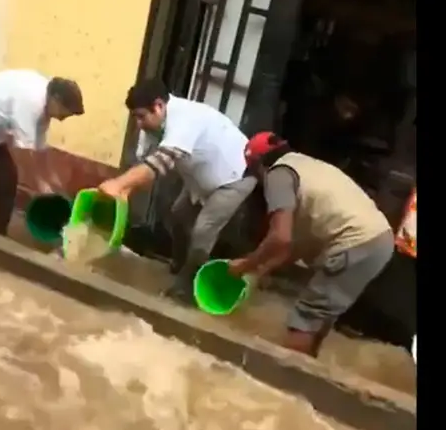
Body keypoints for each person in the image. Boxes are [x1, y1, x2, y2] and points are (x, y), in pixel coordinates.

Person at [229, 132, 395, 357]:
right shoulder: (305, 166)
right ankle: (309, 367)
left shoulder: (278, 174)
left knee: (305, 316)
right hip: (379, 240)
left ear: (258, 164)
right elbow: (290, 247)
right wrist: (260, 270)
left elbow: (280, 238)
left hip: (355, 241)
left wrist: (245, 265)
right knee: (320, 316)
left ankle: (285, 373)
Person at [98, 79, 256, 302]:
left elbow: (160, 163)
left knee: (203, 230)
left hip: (234, 177)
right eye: (135, 117)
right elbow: (144, 167)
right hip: (200, 180)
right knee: (178, 215)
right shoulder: (151, 126)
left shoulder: (185, 118)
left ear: (159, 106)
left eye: (141, 116)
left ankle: (186, 287)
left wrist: (118, 184)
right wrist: (126, 190)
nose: (139, 124)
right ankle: (181, 264)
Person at [0, 69, 84, 235]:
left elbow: (39, 148)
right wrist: (40, 184)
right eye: (65, 113)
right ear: (56, 100)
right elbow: (24, 152)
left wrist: (51, 178)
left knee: (7, 181)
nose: (63, 119)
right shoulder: (31, 102)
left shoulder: (45, 105)